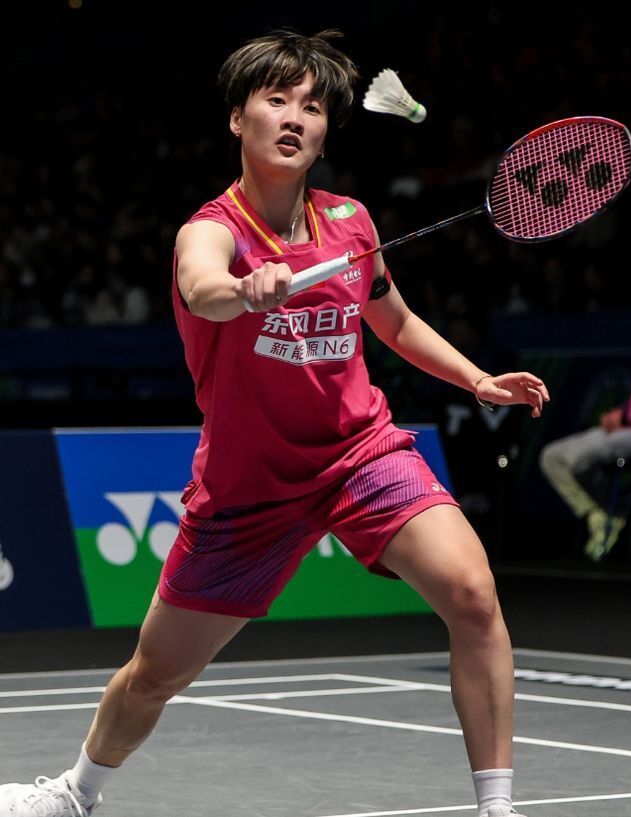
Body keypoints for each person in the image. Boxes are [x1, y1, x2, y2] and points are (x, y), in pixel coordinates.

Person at [0, 30, 549, 817]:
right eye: (277, 99)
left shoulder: (352, 223)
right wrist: (245, 291)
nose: (295, 117)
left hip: (359, 454)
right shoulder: (212, 230)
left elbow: (392, 319)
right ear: (238, 118)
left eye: (313, 107)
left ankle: (497, 807)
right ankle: (74, 791)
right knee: (155, 673)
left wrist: (476, 378)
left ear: (326, 132)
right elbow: (201, 287)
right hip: (248, 488)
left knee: (471, 590)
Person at [540, 343, 631, 561]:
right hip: (630, 428)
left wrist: (625, 418)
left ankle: (609, 518)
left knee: (578, 463)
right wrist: (621, 411)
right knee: (553, 456)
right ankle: (599, 514)